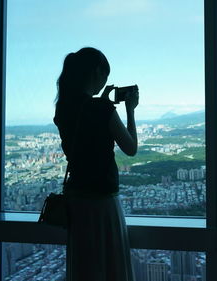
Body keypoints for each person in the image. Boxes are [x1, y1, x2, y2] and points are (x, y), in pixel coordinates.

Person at [53, 47, 138, 281]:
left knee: (86, 267)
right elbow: (130, 148)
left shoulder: (63, 108)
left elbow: (85, 130)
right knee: (110, 265)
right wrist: (130, 110)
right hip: (102, 202)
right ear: (97, 72)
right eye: (105, 76)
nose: (104, 83)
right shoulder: (102, 109)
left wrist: (100, 104)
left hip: (77, 201)